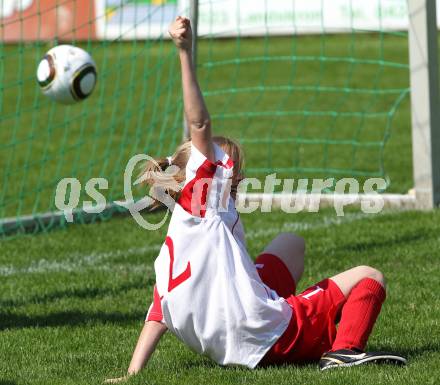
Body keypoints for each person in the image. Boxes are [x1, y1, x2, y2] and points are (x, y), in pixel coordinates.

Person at [105, 16, 406, 383]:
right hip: (268, 335)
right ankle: (344, 352)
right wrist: (184, 52)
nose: (237, 174)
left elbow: (158, 313)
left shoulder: (177, 238)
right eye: (230, 167)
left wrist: (131, 373)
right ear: (208, 173)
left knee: (291, 244)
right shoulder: (207, 201)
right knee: (369, 276)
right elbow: (199, 124)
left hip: (232, 336)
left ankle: (298, 318)